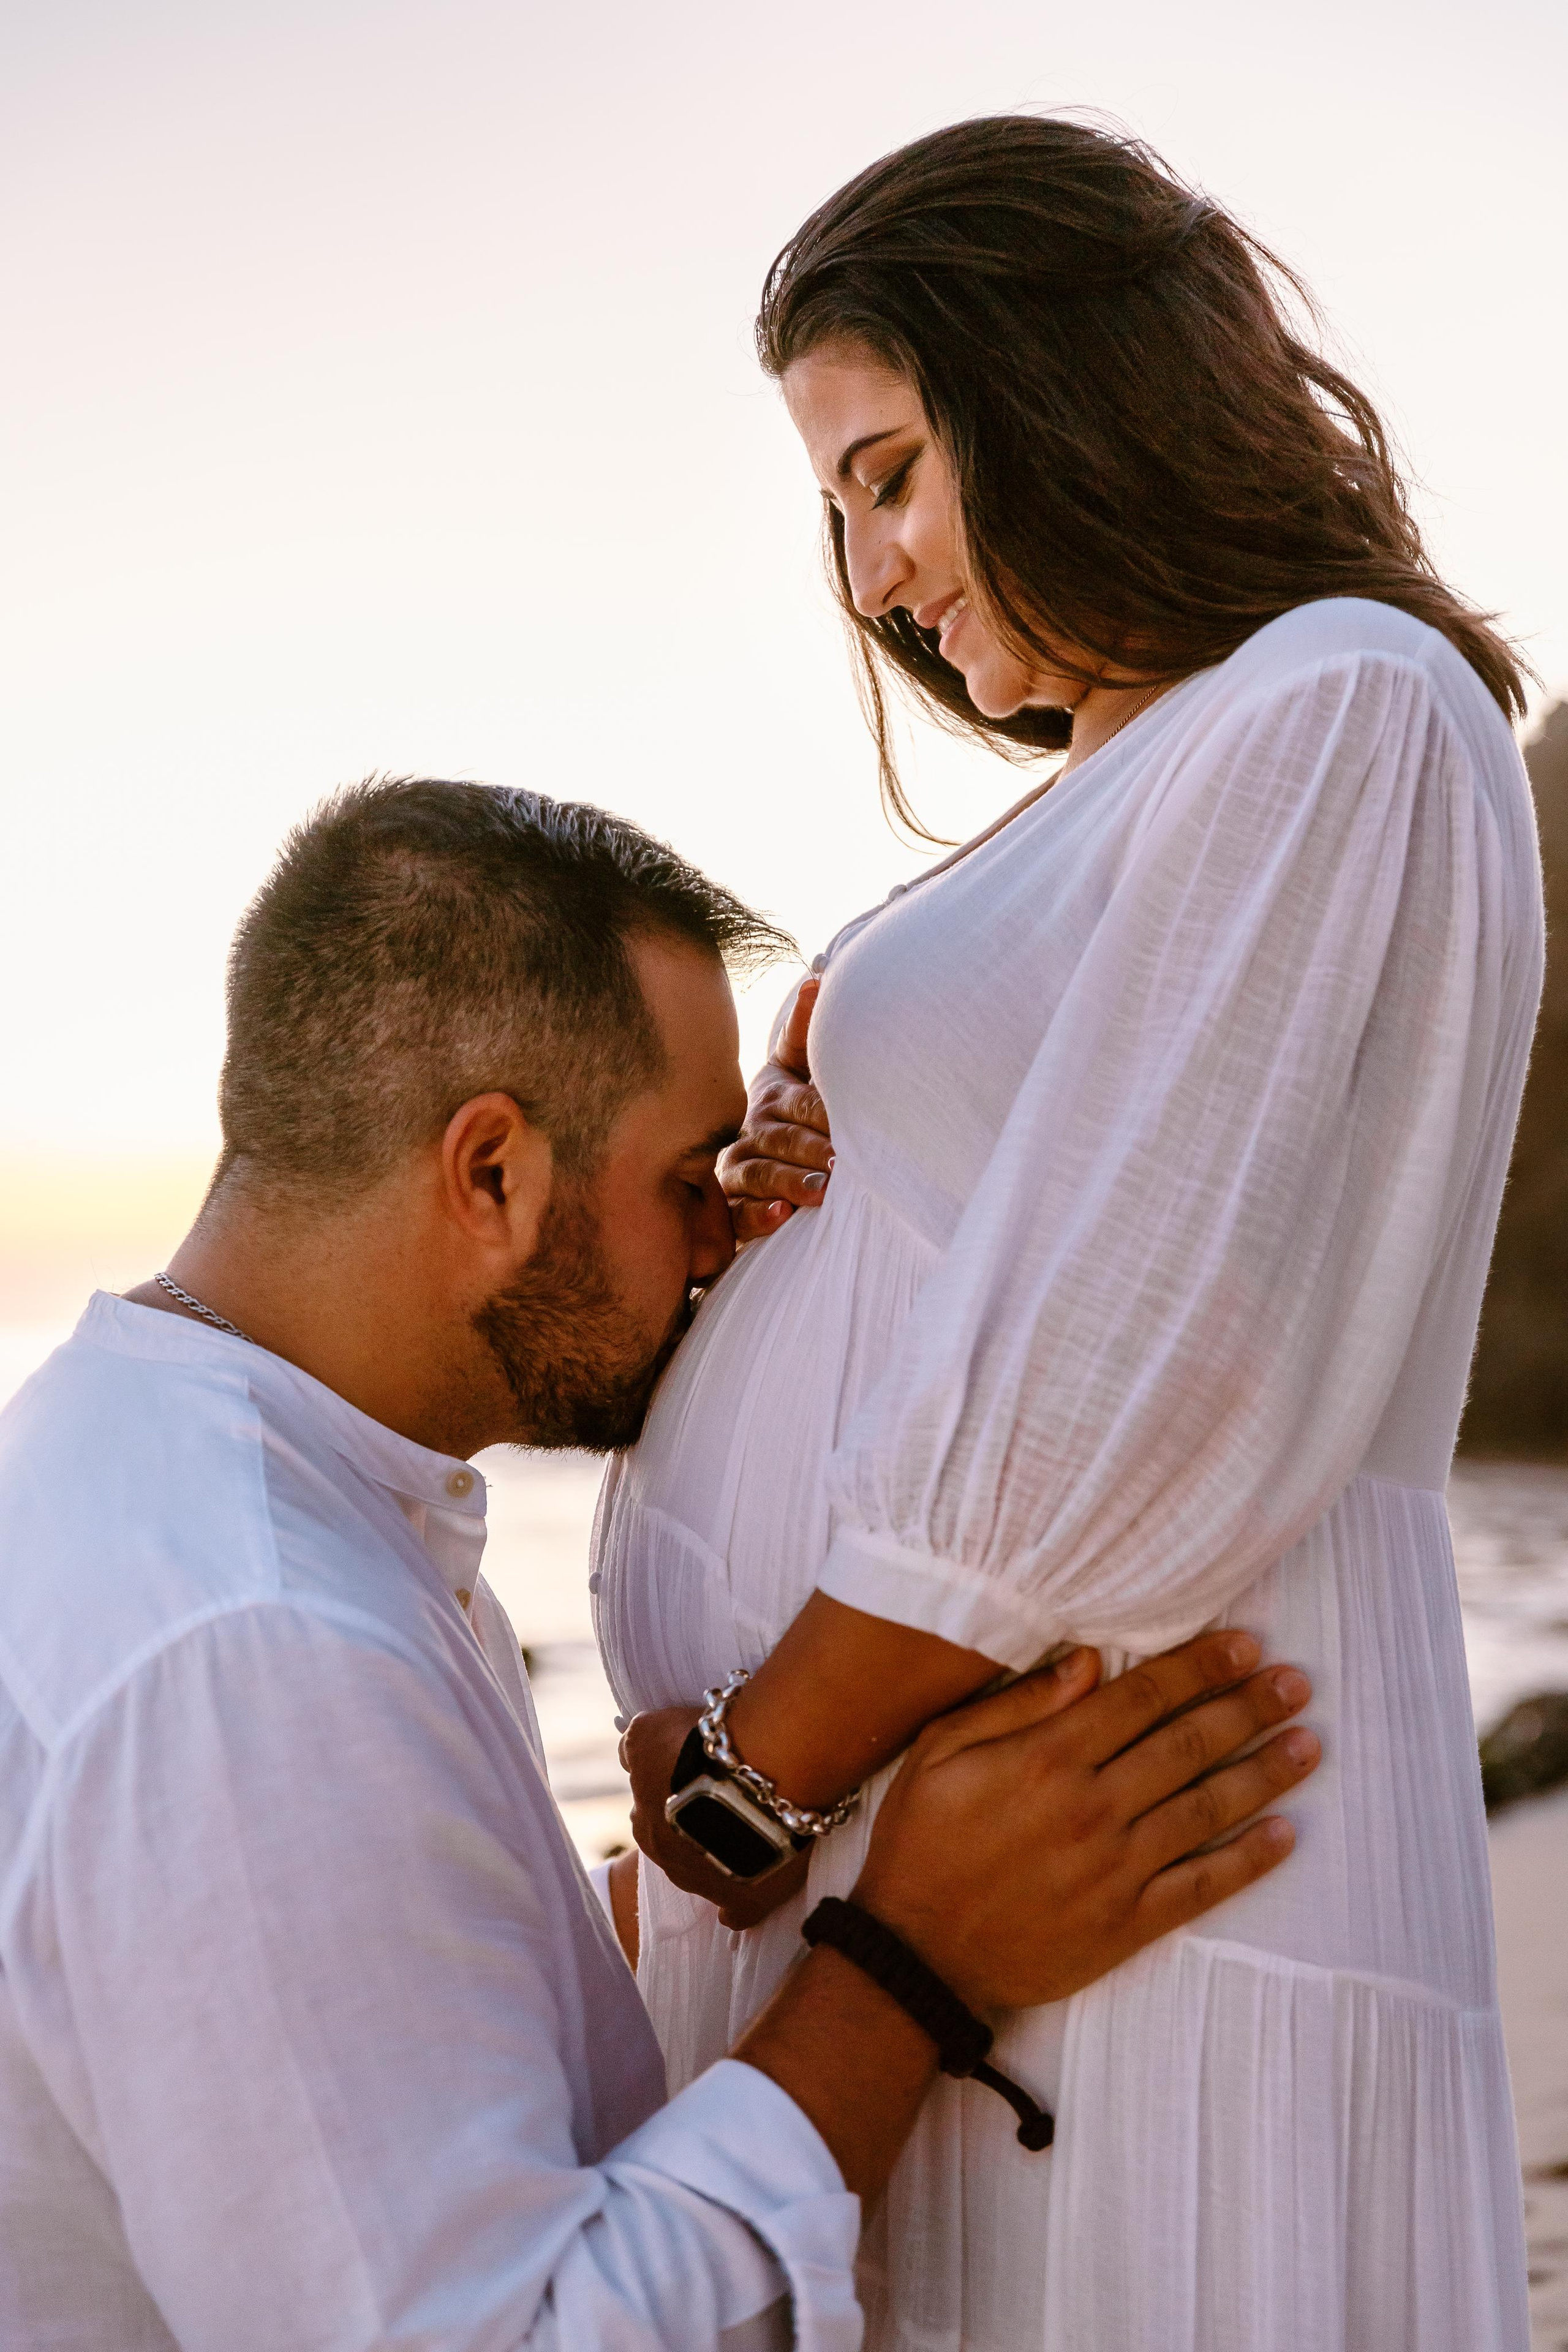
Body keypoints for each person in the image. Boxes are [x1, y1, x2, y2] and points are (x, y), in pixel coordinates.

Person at [600, 117, 1543, 2350]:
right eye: (834, 501)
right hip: (970, 1895)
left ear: (1070, 391)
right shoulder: (1161, 768)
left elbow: (1140, 1359)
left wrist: (747, 1785)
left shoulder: (1339, 700)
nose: (867, 573)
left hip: (1117, 1873)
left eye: (894, 468)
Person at [0, 777, 1319, 2352]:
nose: (721, 1240)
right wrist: (912, 1955)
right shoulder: (259, 1650)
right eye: (689, 1181)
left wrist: (662, 1891)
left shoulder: (173, 1471)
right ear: (491, 1175)